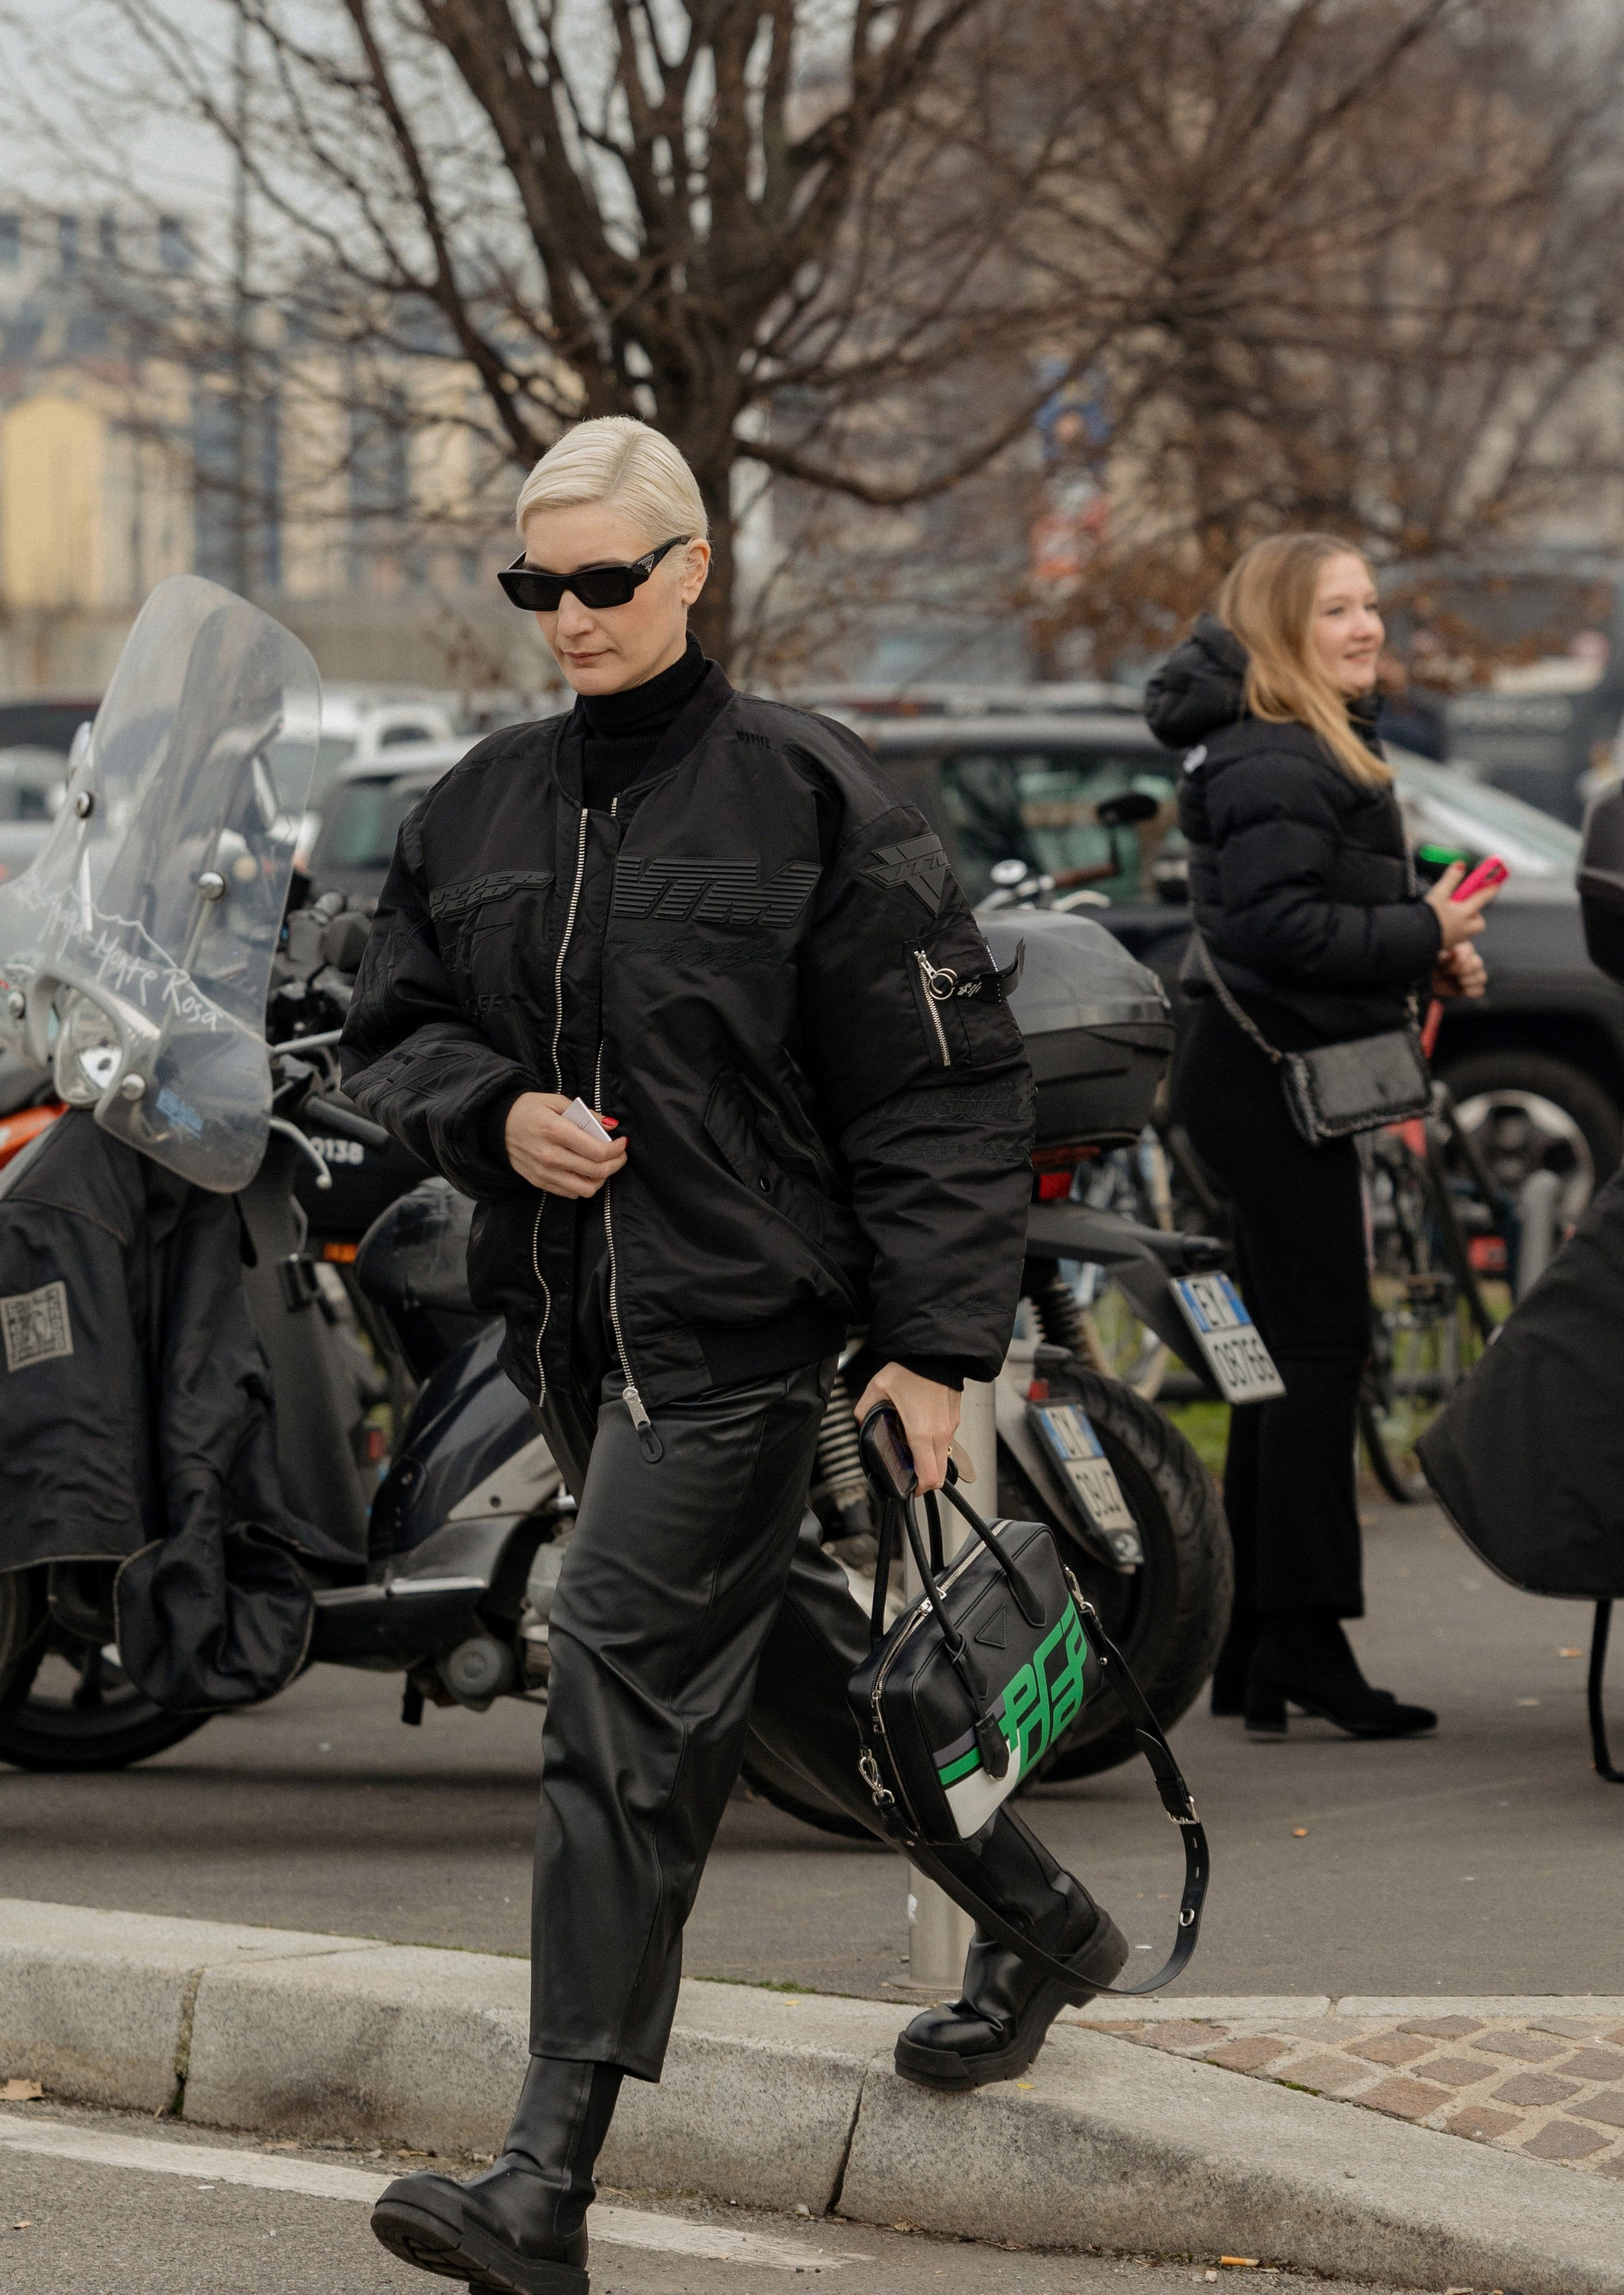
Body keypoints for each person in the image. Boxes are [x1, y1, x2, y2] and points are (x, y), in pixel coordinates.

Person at [340, 419, 1130, 2295]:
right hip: (568, 1334)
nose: (569, 618)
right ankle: (1041, 1926)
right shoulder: (473, 804)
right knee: (760, 1662)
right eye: (536, 586)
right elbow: (388, 1030)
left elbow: (940, 1096)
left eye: (604, 580)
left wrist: (936, 1349)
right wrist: (490, 1115)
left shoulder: (809, 794)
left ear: (692, 567)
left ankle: (543, 2176)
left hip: (744, 1338)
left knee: (613, 1687)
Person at [1146, 534, 1496, 1743]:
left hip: (1266, 1069)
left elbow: (1302, 916)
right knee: (1318, 1346)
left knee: (1279, 1355)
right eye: (1335, 610)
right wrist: (1420, 928)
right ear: (1280, 631)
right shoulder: (1272, 755)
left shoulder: (1300, 743)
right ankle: (1302, 1633)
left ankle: (1253, 1641)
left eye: (1370, 605)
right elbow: (1287, 930)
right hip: (1263, 1078)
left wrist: (1422, 936)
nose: (1365, 629)